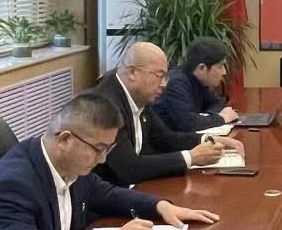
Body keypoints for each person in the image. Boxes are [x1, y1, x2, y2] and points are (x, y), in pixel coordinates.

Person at [0, 93, 219, 230]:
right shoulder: (10, 184)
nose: (103, 159)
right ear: (65, 139)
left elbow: (104, 193)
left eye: (108, 149)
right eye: (98, 149)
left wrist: (159, 206)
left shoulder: (68, 162)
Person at [88, 41, 246, 184]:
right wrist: (191, 158)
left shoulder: (138, 95)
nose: (164, 84)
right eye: (159, 76)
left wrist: (207, 139)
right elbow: (130, 168)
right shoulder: (105, 106)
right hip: (106, 197)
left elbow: (165, 138)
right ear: (132, 73)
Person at [151, 37, 239, 131]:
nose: (224, 72)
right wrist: (221, 118)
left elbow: (217, 103)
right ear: (202, 68)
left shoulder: (198, 81)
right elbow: (187, 123)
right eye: (220, 67)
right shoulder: (176, 84)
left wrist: (209, 117)